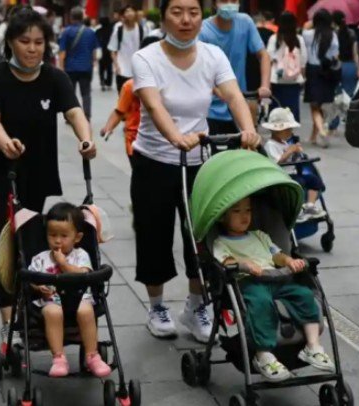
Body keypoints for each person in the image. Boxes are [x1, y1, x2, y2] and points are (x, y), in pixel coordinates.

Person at [130, 0, 258, 342]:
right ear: (163, 16)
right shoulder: (146, 57)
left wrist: (248, 129)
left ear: (203, 16)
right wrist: (175, 137)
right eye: (177, 12)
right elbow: (153, 104)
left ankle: (197, 305)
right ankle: (157, 307)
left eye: (193, 12)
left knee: (201, 237)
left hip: (200, 161)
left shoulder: (213, 55)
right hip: (154, 161)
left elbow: (233, 96)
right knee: (153, 234)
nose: (186, 20)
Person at [0, 7, 96, 345]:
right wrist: (5, 143)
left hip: (37, 172)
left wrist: (85, 139)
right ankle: (8, 320)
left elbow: (75, 112)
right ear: (10, 43)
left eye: (39, 42)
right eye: (24, 41)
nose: (32, 48)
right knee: (4, 242)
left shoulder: (55, 78)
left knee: (30, 241)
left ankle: (35, 305)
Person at [213, 197, 333, 382]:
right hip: (249, 281)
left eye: (248, 210)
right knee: (261, 304)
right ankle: (263, 354)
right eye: (237, 211)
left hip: (275, 277)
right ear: (222, 217)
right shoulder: (221, 242)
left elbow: (276, 255)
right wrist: (245, 265)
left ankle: (313, 345)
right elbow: (226, 261)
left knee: (304, 294)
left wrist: (289, 261)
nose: (245, 216)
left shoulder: (259, 235)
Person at [28, 202, 111, 378]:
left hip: (80, 298)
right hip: (51, 300)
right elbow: (32, 278)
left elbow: (83, 274)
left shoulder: (81, 256)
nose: (57, 240)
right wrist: (38, 286)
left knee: (86, 311)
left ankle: (92, 355)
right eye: (52, 235)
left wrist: (63, 264)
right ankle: (59, 358)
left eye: (64, 236)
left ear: (77, 237)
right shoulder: (40, 258)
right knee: (52, 312)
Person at [199, 0, 271, 135]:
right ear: (214, 3)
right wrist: (216, 90)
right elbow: (198, 70)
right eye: (224, 0)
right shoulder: (203, 30)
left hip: (238, 106)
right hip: (208, 111)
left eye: (233, 0)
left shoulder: (245, 22)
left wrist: (265, 86)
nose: (229, 4)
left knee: (248, 143)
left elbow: (263, 55)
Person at [100, 37, 162, 166]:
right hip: (135, 141)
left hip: (162, 141)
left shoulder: (167, 83)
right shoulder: (130, 86)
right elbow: (119, 111)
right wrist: (108, 127)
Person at [262, 108, 326, 221]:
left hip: (293, 172)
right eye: (287, 130)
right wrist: (289, 151)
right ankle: (297, 209)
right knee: (298, 183)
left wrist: (297, 152)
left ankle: (310, 206)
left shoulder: (285, 143)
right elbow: (276, 162)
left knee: (314, 180)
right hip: (281, 176)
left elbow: (294, 159)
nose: (290, 132)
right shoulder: (271, 145)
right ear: (276, 130)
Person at [302, 9, 339, 147]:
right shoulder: (333, 35)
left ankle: (322, 131)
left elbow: (305, 27)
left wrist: (310, 23)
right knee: (320, 104)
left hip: (313, 71)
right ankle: (313, 136)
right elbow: (336, 55)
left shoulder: (308, 34)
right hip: (327, 71)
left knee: (314, 106)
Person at [58, 7, 99, 120]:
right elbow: (94, 51)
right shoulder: (90, 32)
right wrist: (94, 62)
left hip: (70, 68)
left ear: (71, 17)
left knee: (70, 93)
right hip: (86, 67)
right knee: (86, 93)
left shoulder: (66, 32)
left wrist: (61, 67)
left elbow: (62, 52)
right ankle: (87, 115)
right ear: (82, 17)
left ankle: (70, 116)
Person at [267, 12, 306, 123]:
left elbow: (268, 60)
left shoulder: (274, 39)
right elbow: (303, 60)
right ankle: (289, 132)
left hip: (277, 80)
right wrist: (303, 77)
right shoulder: (299, 39)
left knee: (276, 111)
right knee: (291, 112)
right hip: (294, 80)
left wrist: (266, 81)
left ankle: (277, 132)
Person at [108, 5, 144, 93]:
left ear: (135, 13)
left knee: (137, 97)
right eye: (127, 11)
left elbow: (147, 48)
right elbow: (112, 49)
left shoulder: (141, 29)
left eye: (131, 11)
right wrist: (116, 66)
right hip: (122, 69)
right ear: (123, 15)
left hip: (138, 69)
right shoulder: (119, 30)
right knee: (122, 96)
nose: (129, 13)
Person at [337, 13, 359, 97]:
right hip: (351, 66)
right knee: (350, 93)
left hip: (339, 66)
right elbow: (355, 54)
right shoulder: (351, 33)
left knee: (339, 94)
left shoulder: (334, 34)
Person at [94, 17, 113, 91]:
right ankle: (109, 82)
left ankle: (102, 81)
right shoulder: (111, 30)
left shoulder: (98, 31)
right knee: (109, 68)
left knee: (101, 68)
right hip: (109, 51)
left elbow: (96, 41)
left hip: (101, 51)